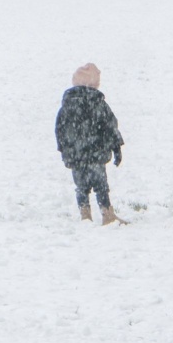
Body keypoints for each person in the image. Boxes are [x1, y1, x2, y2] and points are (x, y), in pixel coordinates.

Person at [55, 63, 125, 224]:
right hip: (96, 154)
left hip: (76, 155)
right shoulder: (98, 104)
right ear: (94, 84)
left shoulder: (67, 106)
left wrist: (64, 149)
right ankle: (107, 213)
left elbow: (59, 130)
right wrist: (116, 147)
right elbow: (110, 126)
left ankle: (85, 215)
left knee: (81, 186)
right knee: (101, 186)